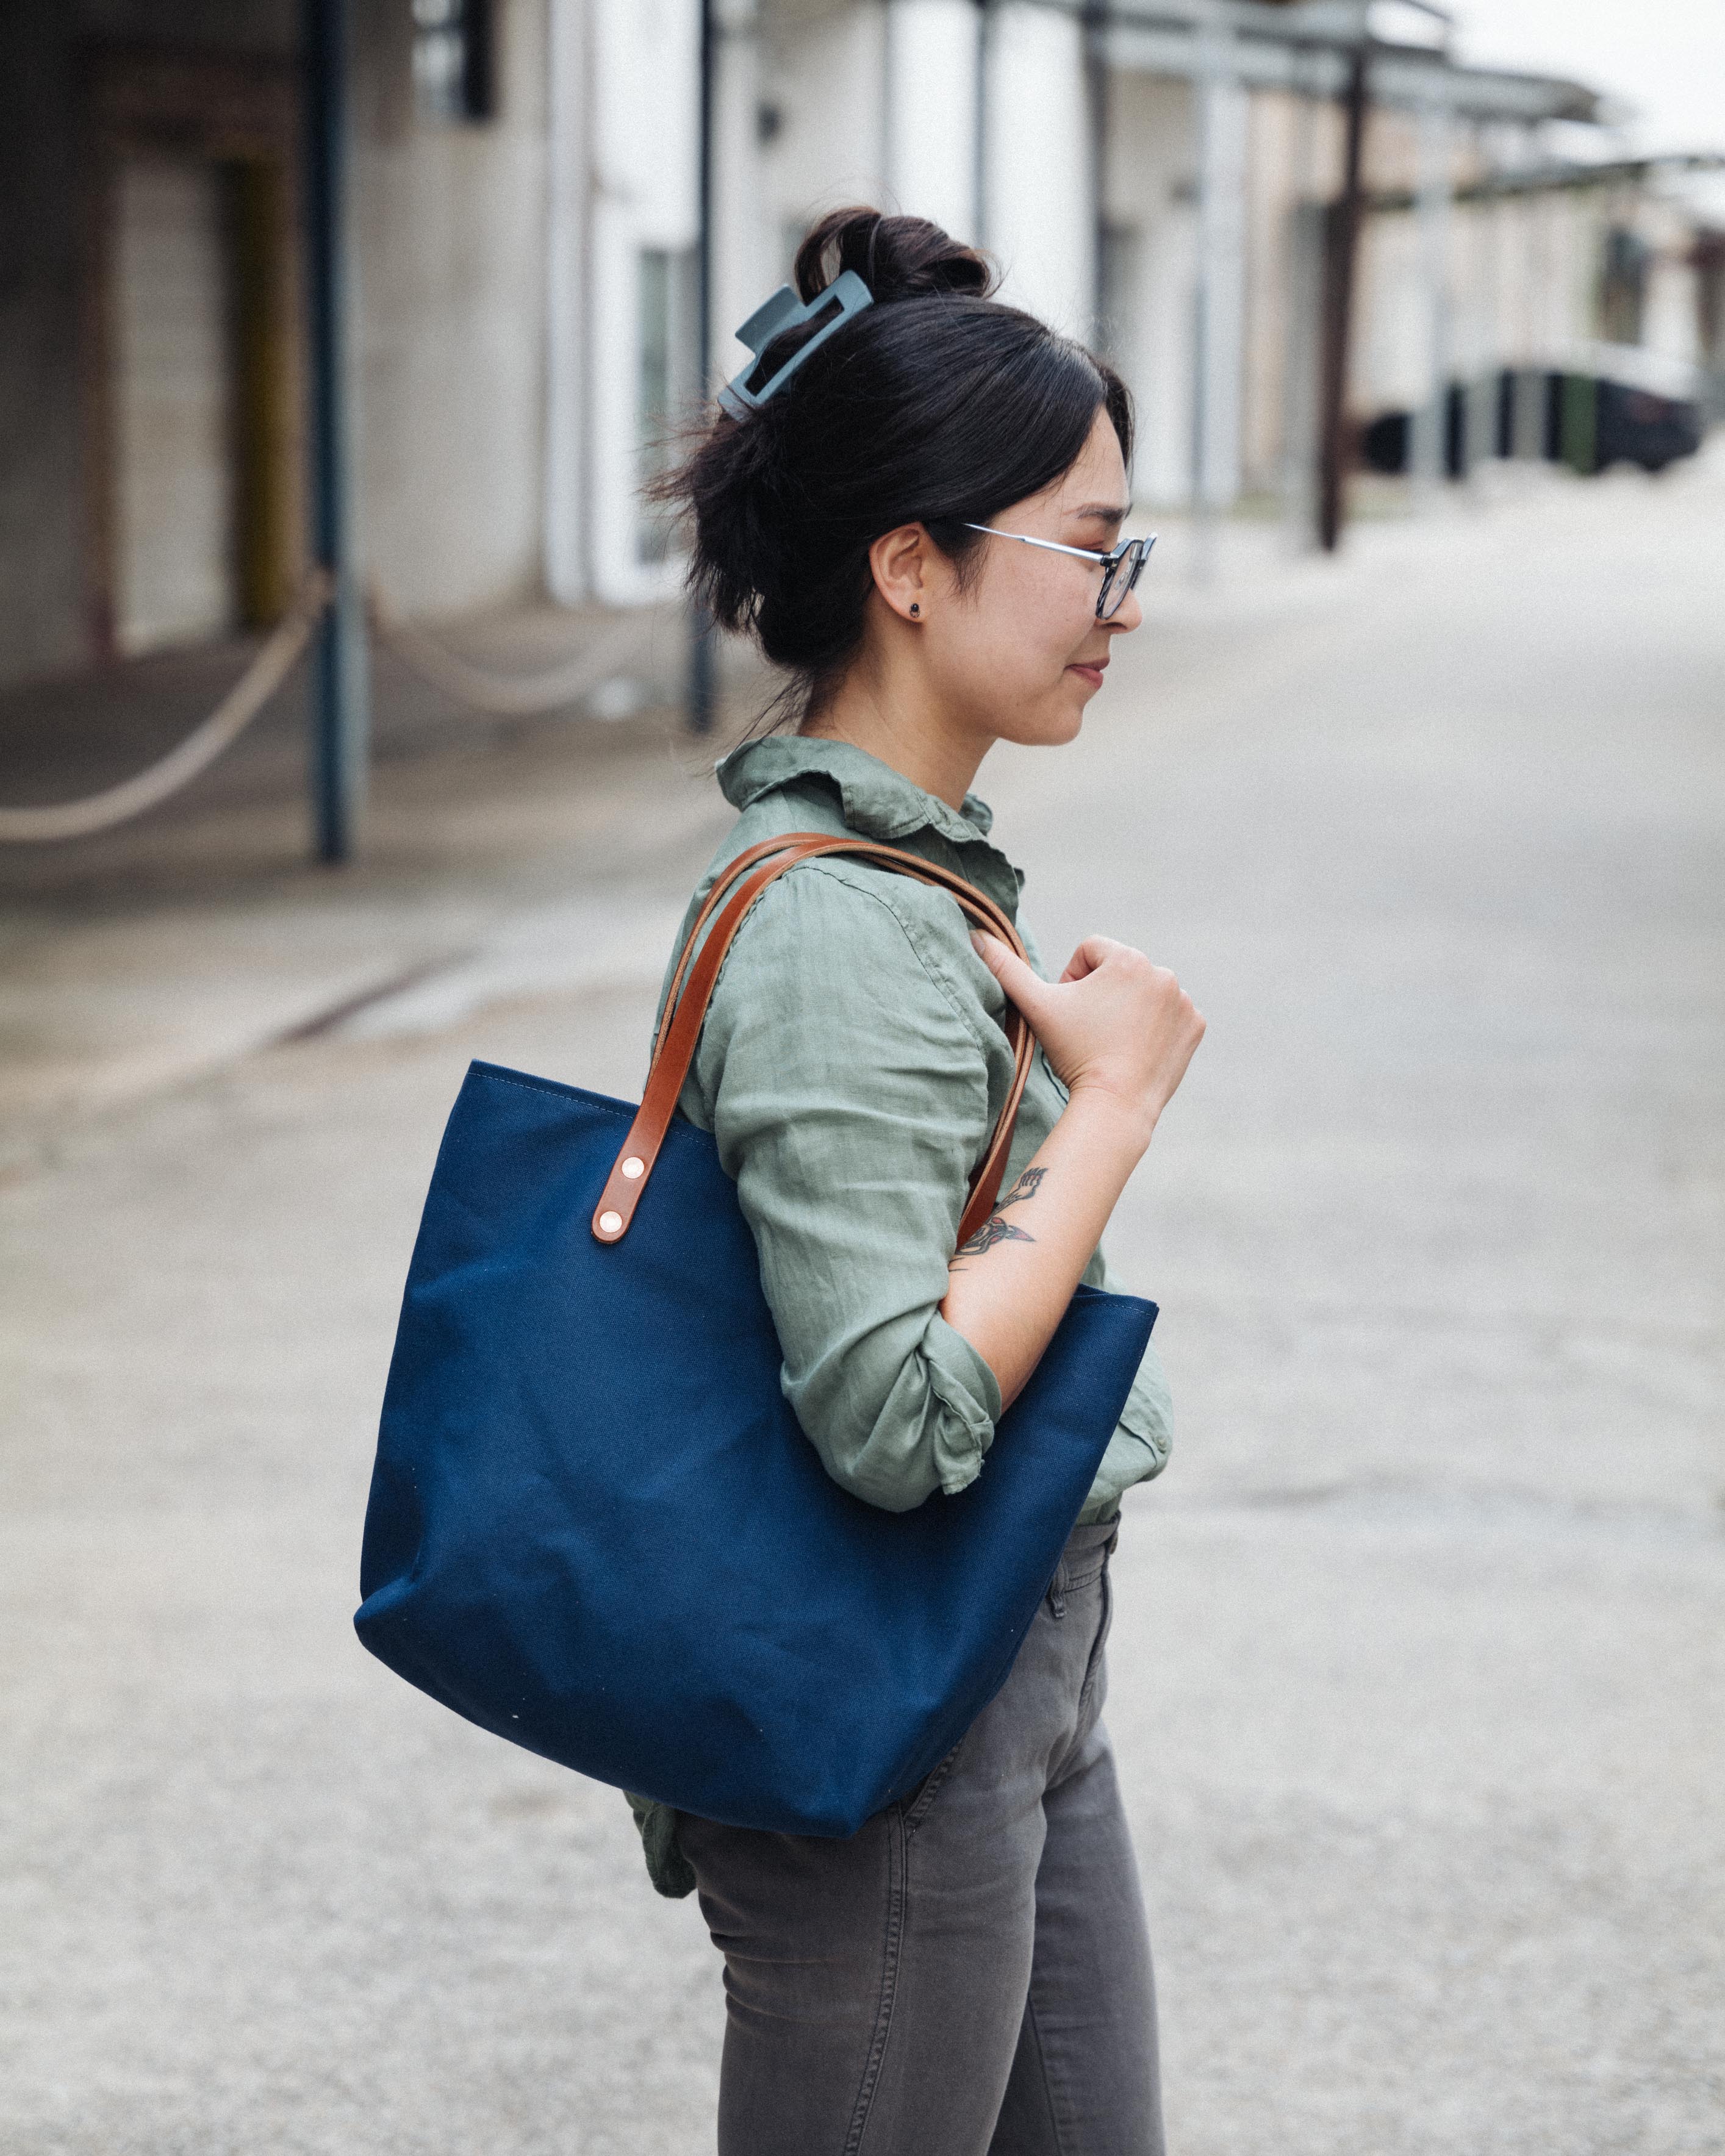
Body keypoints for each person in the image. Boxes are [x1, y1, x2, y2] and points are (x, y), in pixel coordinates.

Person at [628, 207, 1205, 2156]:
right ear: (906, 565)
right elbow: (889, 1417)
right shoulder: (847, 929)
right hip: (896, 1711)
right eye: (1081, 546)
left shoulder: (920, 880)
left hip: (1014, 1657)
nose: (1117, 598)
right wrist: (1111, 1110)